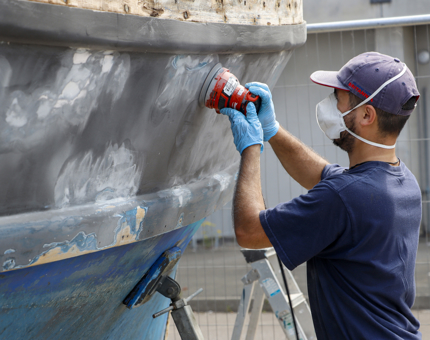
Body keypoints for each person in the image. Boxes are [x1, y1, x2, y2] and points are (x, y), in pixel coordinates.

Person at [220, 52, 422, 339]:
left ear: (367, 115)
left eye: (339, 97)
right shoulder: (402, 182)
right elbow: (321, 175)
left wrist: (251, 147)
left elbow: (249, 230)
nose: (330, 105)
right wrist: (271, 130)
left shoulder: (344, 197)